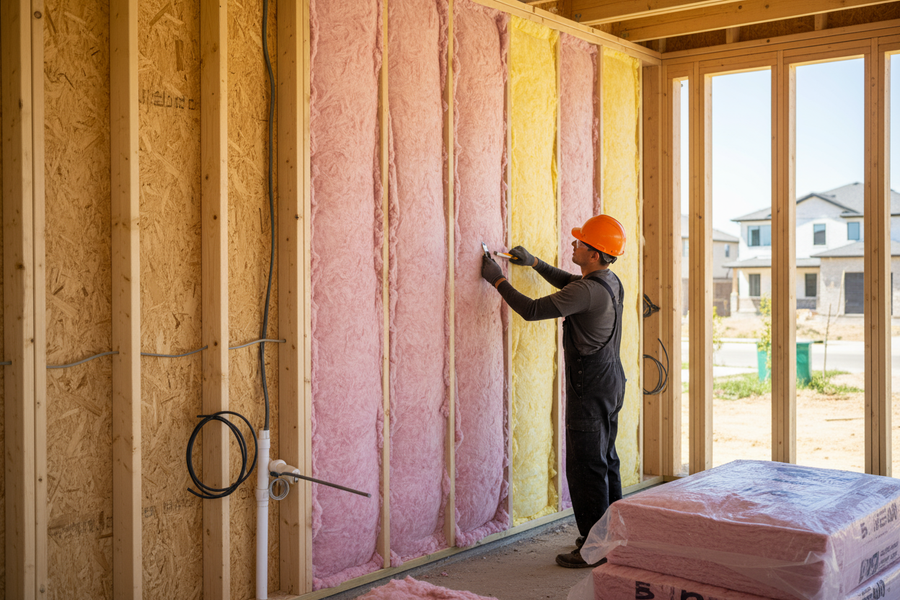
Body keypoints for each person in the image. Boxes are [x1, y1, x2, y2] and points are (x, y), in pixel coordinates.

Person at [480, 214, 627, 569]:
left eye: (579, 242)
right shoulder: (607, 280)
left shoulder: (586, 291)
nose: (573, 244)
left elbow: (531, 310)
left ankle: (593, 549)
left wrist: (496, 279)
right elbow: (572, 282)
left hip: (588, 392)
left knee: (585, 468)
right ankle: (614, 538)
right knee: (605, 461)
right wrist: (534, 263)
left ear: (594, 254)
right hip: (610, 385)